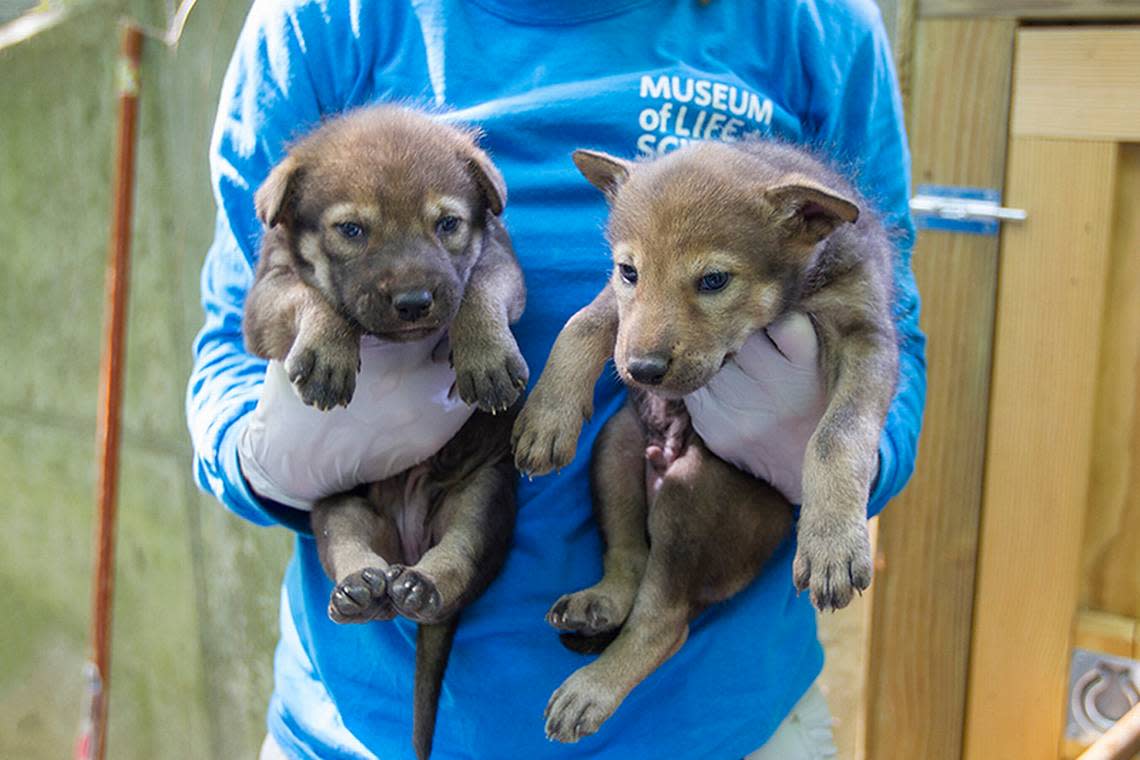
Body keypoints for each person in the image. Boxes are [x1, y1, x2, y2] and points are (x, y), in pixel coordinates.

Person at [186, 1, 926, 757]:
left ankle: (645, 617)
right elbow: (225, 353)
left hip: (721, 731)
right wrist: (271, 455)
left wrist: (815, 456)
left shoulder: (813, 19)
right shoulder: (322, 19)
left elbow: (895, 344)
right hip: (357, 730)